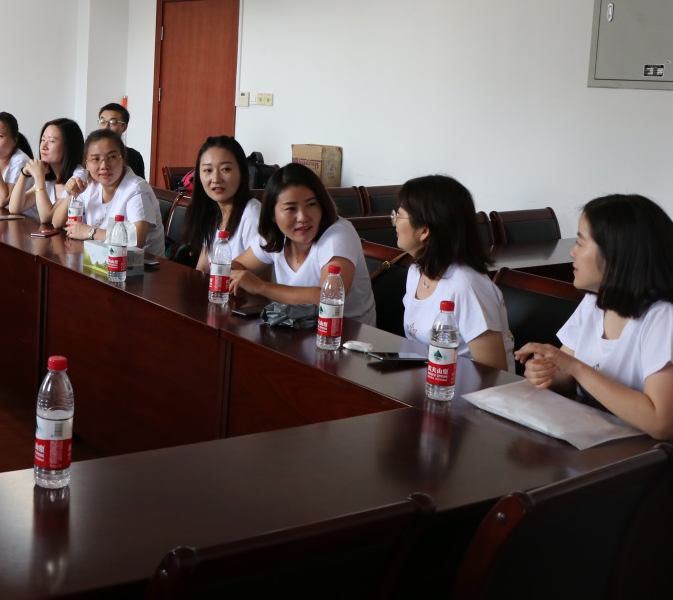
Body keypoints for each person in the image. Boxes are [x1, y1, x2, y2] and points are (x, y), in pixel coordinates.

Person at [516, 195, 673, 439]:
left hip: (643, 455)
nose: (572, 252)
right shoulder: (595, 302)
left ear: (617, 254)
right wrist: (547, 372)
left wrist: (576, 368)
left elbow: (661, 423)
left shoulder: (663, 316)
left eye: (581, 242)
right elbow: (566, 371)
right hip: (591, 437)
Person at [392, 175, 514, 371]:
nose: (394, 222)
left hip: (462, 387)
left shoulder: (467, 285)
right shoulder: (416, 271)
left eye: (399, 215)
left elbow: (494, 373)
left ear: (424, 231)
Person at [231, 163, 375, 325]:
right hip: (295, 328)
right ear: (272, 214)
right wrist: (237, 279)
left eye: (311, 204)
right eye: (291, 209)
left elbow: (327, 298)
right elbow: (237, 266)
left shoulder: (339, 235)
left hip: (344, 334)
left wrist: (260, 287)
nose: (303, 217)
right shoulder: (276, 234)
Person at [52, 129, 164, 255]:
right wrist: (71, 195)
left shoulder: (136, 189)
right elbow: (57, 222)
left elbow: (137, 240)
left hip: (141, 263)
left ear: (123, 159)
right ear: (86, 164)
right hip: (102, 257)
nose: (104, 165)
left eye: (112, 157)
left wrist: (90, 232)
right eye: (96, 159)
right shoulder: (91, 185)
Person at [179, 136, 262, 273]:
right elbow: (203, 269)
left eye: (225, 169)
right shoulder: (212, 213)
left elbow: (261, 274)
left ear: (242, 172)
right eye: (208, 170)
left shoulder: (252, 215)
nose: (216, 179)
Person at [8, 118, 84, 223]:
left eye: (52, 141)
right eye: (43, 140)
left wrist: (39, 177)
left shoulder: (79, 176)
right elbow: (14, 208)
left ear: (69, 147)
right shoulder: (50, 175)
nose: (43, 146)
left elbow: (47, 217)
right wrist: (24, 173)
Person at [97, 102, 145, 179]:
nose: (106, 127)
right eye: (102, 121)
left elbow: (140, 184)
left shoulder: (134, 156)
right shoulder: (88, 153)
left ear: (124, 127)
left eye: (113, 122)